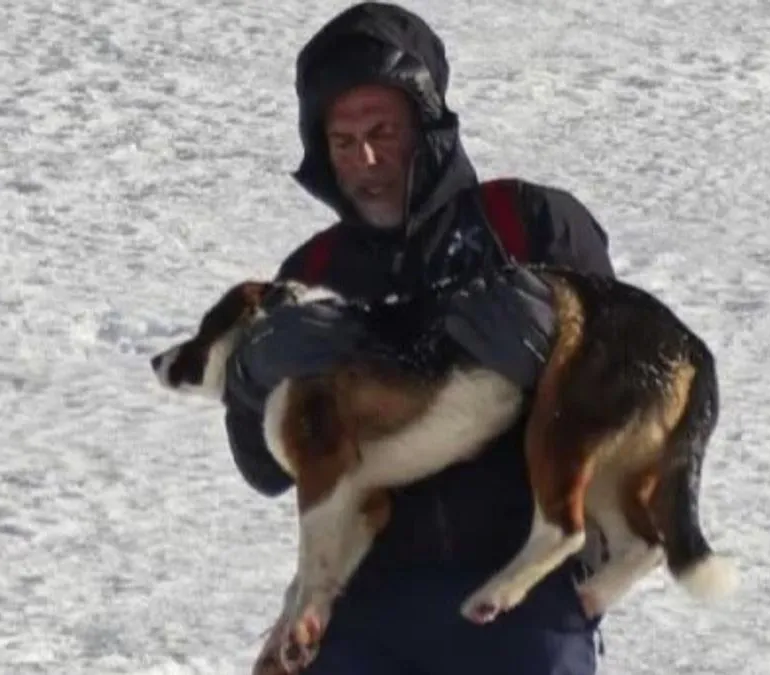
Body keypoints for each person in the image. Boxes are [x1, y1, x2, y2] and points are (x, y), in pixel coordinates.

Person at [222, 3, 618, 673]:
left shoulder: (530, 227)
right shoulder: (310, 277)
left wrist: (558, 363)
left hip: (524, 592)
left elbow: (633, 405)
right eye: (343, 143)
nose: (366, 160)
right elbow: (262, 469)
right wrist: (252, 379)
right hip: (367, 606)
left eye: (383, 131)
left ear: (427, 126)